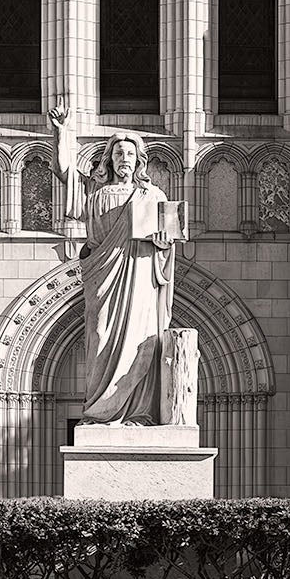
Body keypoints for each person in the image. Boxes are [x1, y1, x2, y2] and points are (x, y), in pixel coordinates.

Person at [78, 130, 174, 424]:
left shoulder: (154, 195)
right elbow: (92, 243)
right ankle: (98, 411)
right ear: (109, 159)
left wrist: (162, 241)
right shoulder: (97, 197)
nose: (124, 159)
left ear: (139, 160)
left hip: (141, 276)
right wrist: (61, 135)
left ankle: (138, 411)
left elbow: (170, 239)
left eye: (130, 154)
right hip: (104, 276)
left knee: (140, 339)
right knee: (100, 334)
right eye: (118, 153)